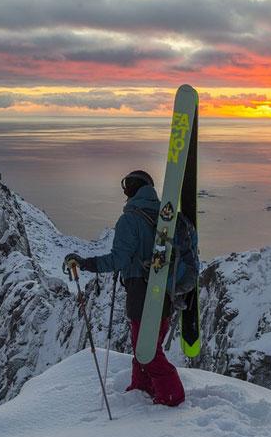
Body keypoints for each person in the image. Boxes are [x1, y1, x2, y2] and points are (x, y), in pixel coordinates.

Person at [64, 170, 185, 407]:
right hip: (166, 293)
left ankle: (172, 395)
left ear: (133, 190)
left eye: (127, 187)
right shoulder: (163, 216)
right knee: (147, 345)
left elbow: (118, 260)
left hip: (142, 292)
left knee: (146, 349)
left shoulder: (130, 219)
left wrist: (87, 263)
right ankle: (141, 387)